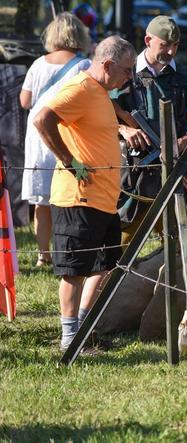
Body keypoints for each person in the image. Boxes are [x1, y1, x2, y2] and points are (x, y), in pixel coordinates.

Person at [32, 35, 136, 351]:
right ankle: (68, 339)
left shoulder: (101, 93)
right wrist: (70, 161)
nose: (130, 77)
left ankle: (83, 331)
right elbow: (42, 118)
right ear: (106, 65)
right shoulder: (79, 88)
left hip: (104, 199)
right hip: (78, 198)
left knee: (104, 266)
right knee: (74, 272)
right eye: (127, 70)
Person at [111, 16, 187, 243]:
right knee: (122, 236)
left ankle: (169, 279)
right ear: (148, 40)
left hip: (174, 166)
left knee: (180, 237)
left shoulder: (186, 78)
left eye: (175, 46)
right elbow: (101, 111)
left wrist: (184, 142)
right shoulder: (125, 73)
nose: (170, 51)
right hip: (132, 169)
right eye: (164, 45)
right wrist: (123, 129)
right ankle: (111, 279)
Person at [19, 12, 91, 268]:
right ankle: (65, 249)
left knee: (42, 201)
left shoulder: (38, 64)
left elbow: (25, 102)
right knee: (65, 197)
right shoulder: (82, 65)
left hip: (38, 136)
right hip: (66, 133)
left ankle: (42, 254)